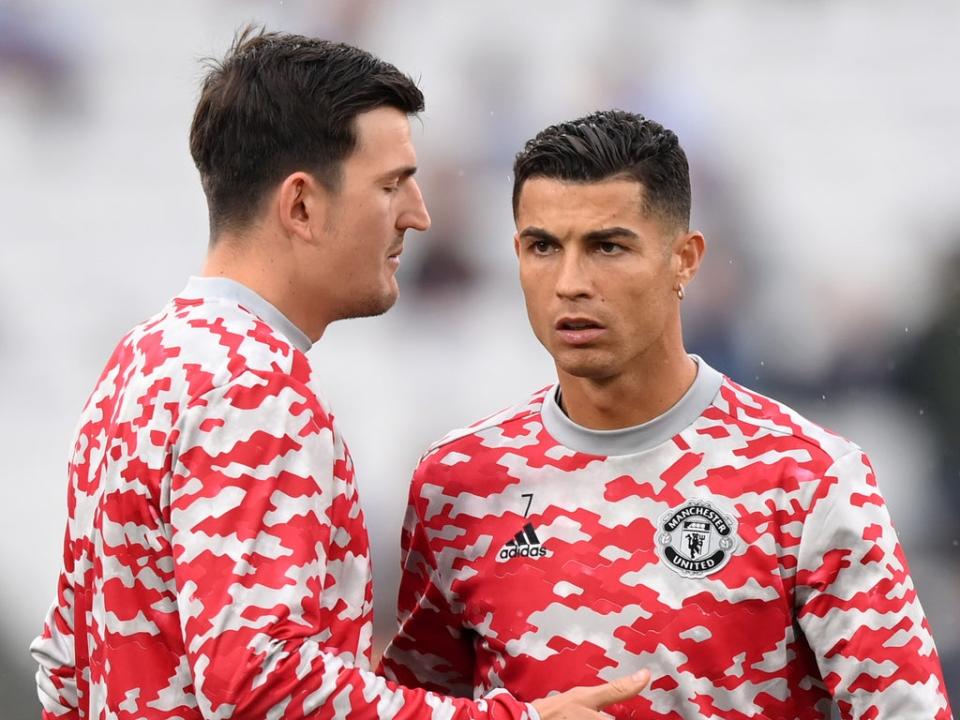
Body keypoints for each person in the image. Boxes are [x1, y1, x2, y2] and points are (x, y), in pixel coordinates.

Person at [29, 32, 651, 720]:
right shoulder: (251, 387)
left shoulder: (140, 362)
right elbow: (261, 684)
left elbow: (66, 665)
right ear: (301, 205)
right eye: (391, 186)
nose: (418, 215)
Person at [379, 110, 954, 718]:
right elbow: (420, 706)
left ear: (685, 259)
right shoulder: (457, 483)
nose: (570, 281)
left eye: (608, 246)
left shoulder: (806, 477)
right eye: (543, 246)